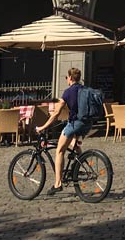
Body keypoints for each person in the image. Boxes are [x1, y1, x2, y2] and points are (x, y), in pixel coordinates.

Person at [35, 67, 90, 196]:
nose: (67, 79)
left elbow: (56, 114)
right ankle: (80, 164)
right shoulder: (84, 89)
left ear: (70, 78)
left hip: (75, 123)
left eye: (66, 77)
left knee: (59, 151)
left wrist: (43, 127)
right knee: (74, 145)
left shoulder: (68, 92)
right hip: (86, 123)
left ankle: (58, 184)